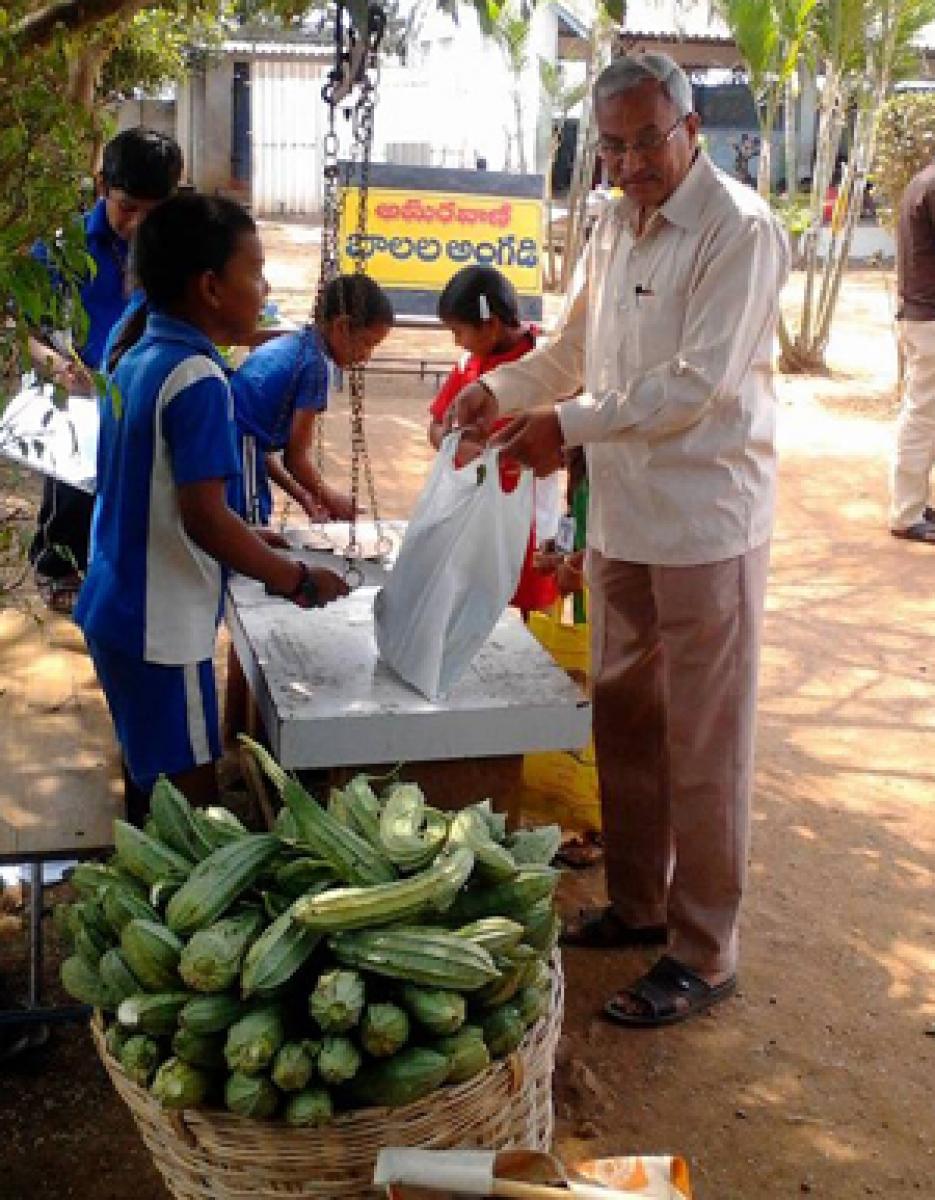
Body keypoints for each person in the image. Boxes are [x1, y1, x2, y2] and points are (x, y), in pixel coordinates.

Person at [449, 53, 790, 1027]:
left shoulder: (737, 229)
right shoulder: (607, 218)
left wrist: (568, 427)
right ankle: (639, 905)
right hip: (625, 521)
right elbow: (567, 349)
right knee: (624, 721)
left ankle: (704, 948)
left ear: (688, 128)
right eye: (612, 145)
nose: (632, 162)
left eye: (647, 139)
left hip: (705, 525)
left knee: (704, 745)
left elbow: (698, 387)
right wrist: (501, 390)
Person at [74, 193, 348, 820]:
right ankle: (173, 904)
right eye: (254, 272)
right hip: (162, 628)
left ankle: (143, 885)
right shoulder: (199, 378)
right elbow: (202, 517)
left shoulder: (137, 353)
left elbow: (161, 494)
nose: (265, 286)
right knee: (192, 814)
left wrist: (252, 531)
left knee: (149, 781)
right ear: (210, 288)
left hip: (115, 608)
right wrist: (296, 578)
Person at [28, 128, 183, 609]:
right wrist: (53, 364)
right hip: (79, 394)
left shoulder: (178, 244)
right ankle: (57, 568)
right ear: (102, 187)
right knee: (72, 490)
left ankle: (119, 571)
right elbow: (27, 330)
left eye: (153, 210)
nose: (138, 223)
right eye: (127, 207)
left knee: (139, 490)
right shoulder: (62, 249)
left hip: (143, 388)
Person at [428, 265, 559, 617]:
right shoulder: (469, 365)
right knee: (474, 600)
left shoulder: (548, 361)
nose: (457, 342)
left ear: (491, 324)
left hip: (531, 514)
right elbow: (436, 426)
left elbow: (573, 442)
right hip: (474, 514)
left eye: (459, 331)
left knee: (529, 595)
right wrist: (454, 445)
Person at [229, 273, 394, 527]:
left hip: (233, 452)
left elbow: (255, 444)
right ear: (341, 326)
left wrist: (304, 495)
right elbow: (294, 458)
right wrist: (330, 497)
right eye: (367, 343)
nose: (366, 356)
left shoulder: (294, 344)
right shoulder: (314, 367)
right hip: (236, 465)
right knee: (248, 535)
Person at [889, 159, 935, 543]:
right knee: (923, 415)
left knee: (922, 412)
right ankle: (907, 511)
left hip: (921, 315)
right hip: (930, 317)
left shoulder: (922, 182)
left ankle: (915, 502)